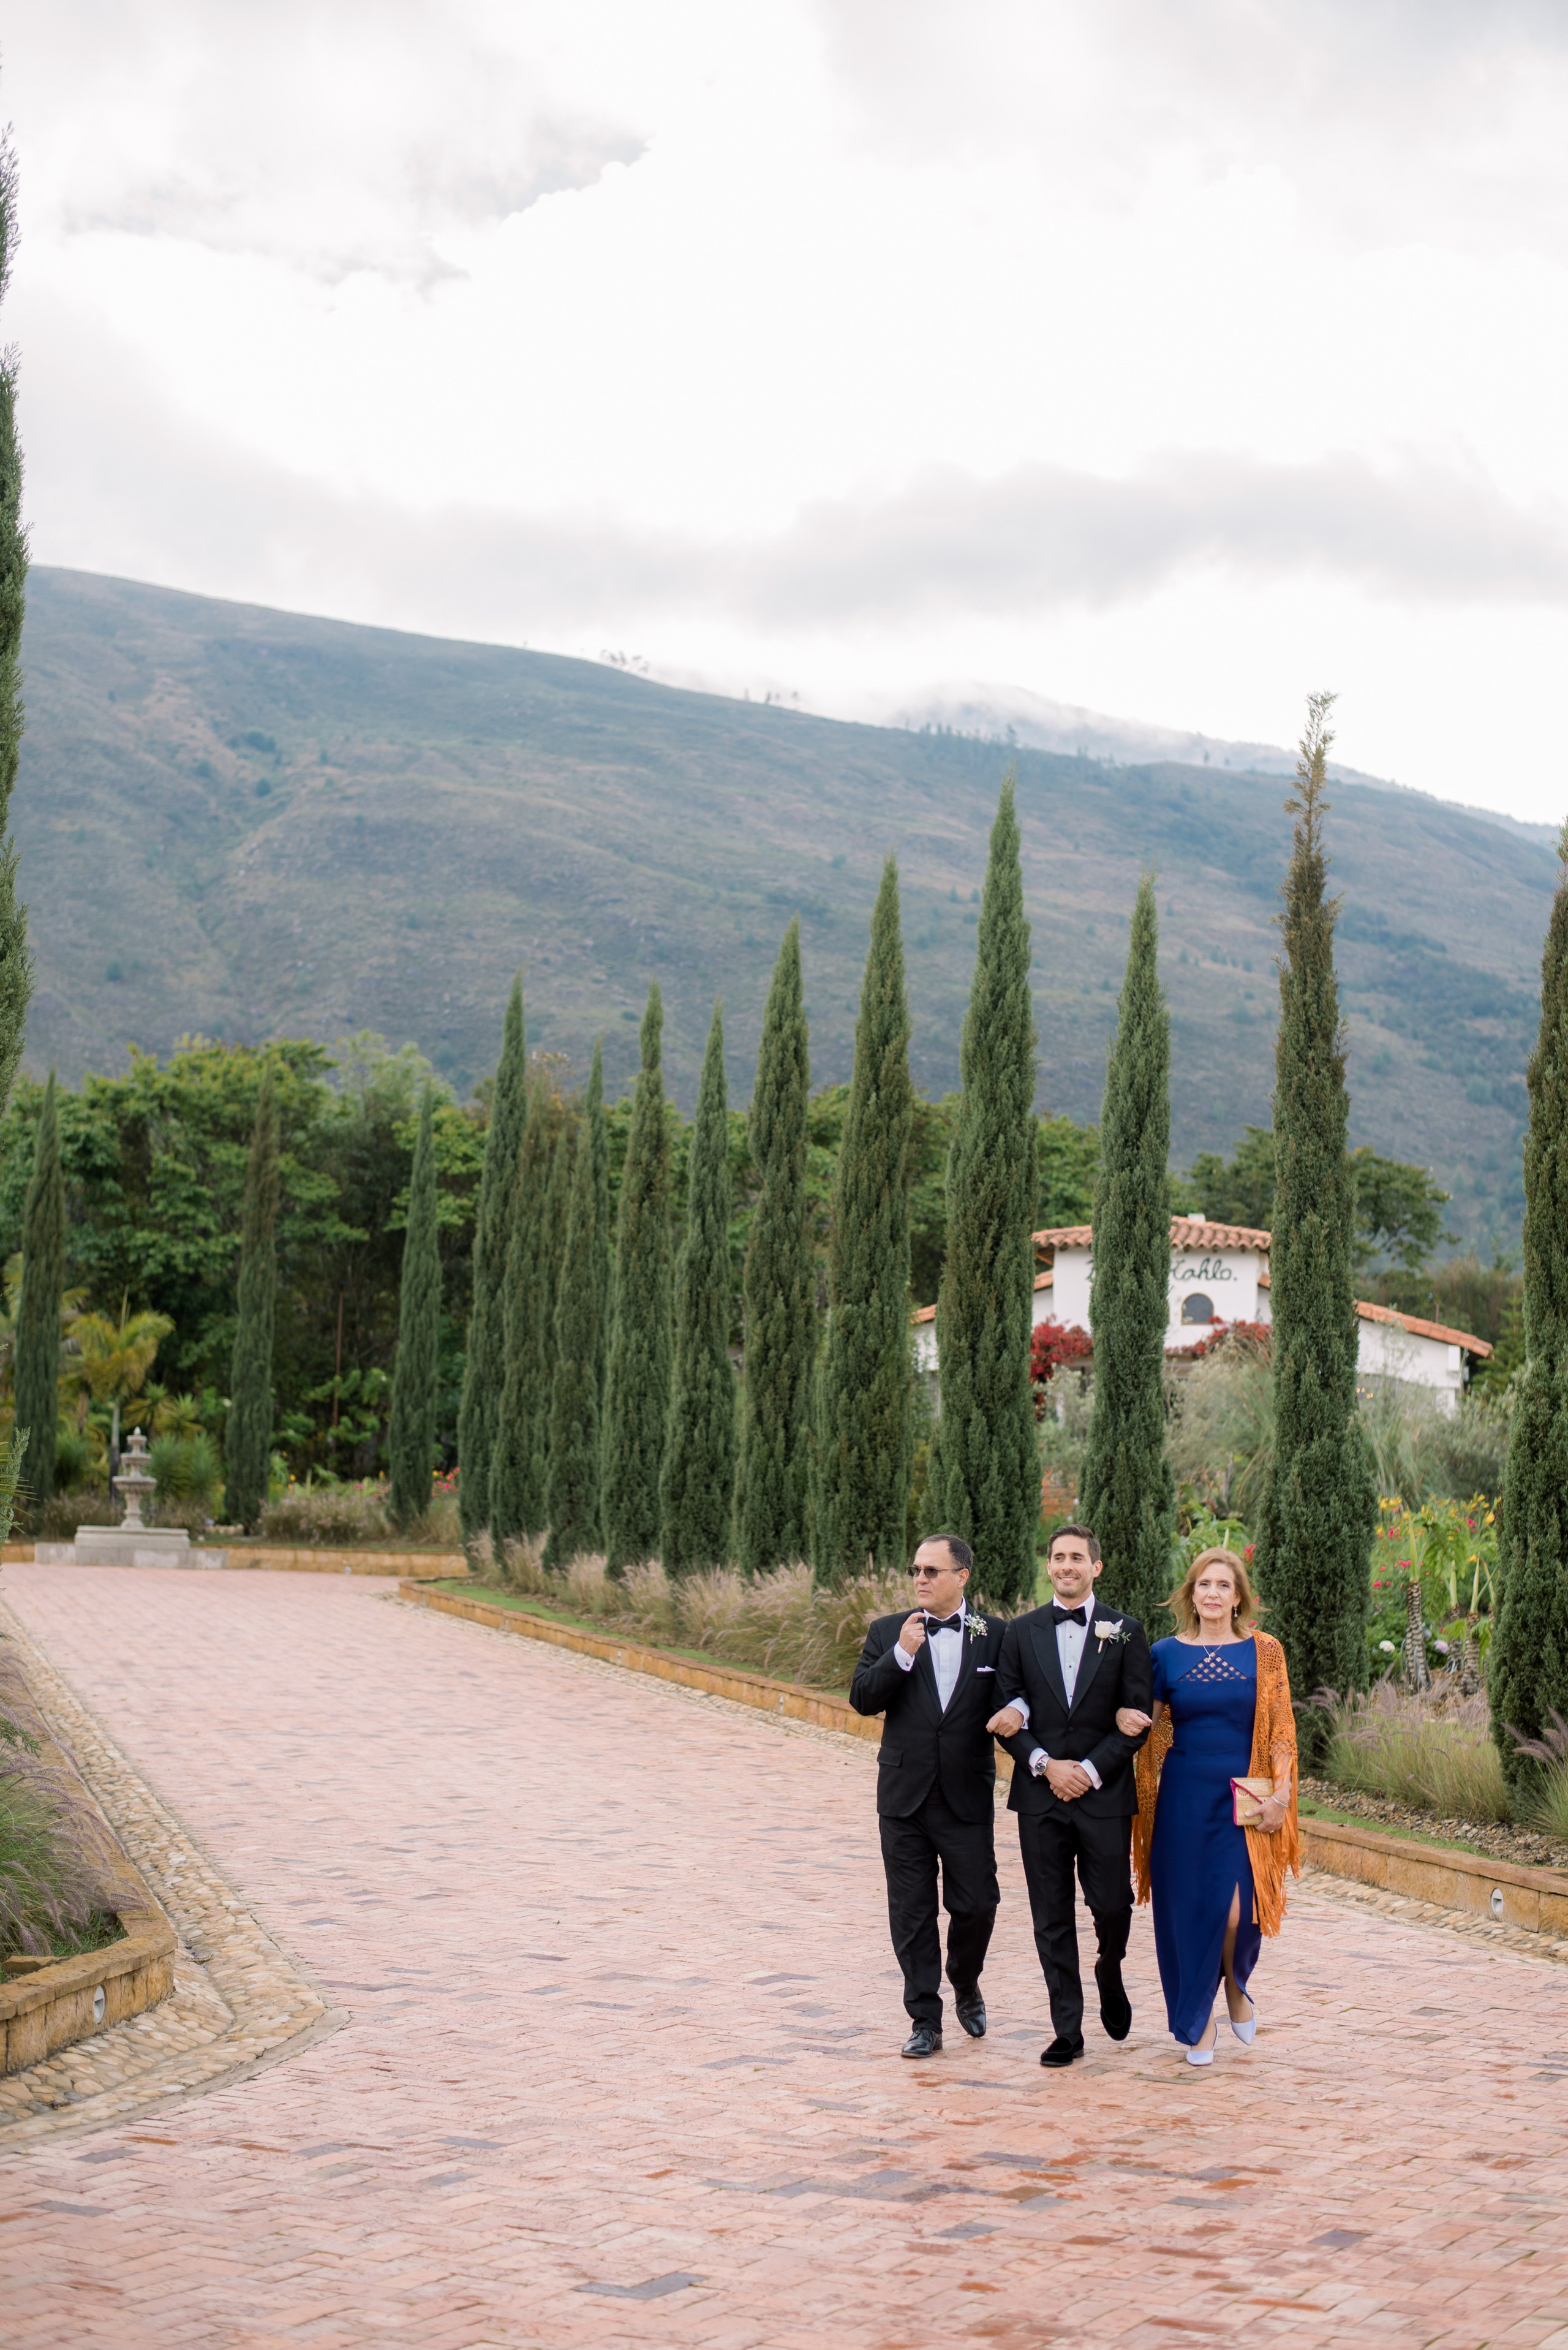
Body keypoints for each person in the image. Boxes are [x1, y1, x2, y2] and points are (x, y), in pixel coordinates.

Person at [1117, 1546, 1299, 2066]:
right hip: (1182, 1798)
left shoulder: (1265, 1651)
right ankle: (1198, 2021)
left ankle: (1236, 1988)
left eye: (1224, 1585)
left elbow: (1282, 1729)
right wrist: (1121, 1722)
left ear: (1239, 1596)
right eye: (1204, 1585)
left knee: (1240, 1913)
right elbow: (1146, 1724)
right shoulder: (1164, 1654)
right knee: (1188, 1913)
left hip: (1244, 1795)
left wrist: (1282, 1794)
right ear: (1190, 1595)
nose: (1213, 1594)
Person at [985, 1524, 1153, 2069]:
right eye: (1058, 1557)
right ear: (1049, 1565)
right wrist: (1045, 1765)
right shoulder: (1021, 1630)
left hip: (1102, 1795)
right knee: (1049, 1914)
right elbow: (1010, 1706)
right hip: (1040, 1797)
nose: (1066, 1566)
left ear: (1095, 1567)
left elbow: (1137, 1719)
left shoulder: (1126, 1632)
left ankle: (1110, 1966)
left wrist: (1087, 1769)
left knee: (1112, 1904)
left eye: (1077, 1557)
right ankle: (1067, 2029)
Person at [850, 1533, 1007, 2058]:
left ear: (962, 1577)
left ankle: (965, 1978)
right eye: (916, 1569)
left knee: (978, 1904)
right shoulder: (888, 1632)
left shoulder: (995, 1636)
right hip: (903, 1798)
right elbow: (863, 1699)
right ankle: (925, 2019)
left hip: (965, 1796)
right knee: (912, 1913)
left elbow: (1015, 1702)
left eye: (932, 1571)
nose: (920, 1578)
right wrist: (902, 1653)